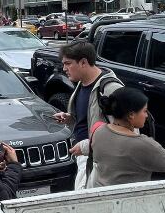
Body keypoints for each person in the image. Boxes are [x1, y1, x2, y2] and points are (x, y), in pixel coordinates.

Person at [51, 41, 124, 190]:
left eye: (68, 63)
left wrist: (87, 147)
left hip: (100, 162)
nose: (64, 68)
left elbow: (126, 132)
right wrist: (70, 117)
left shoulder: (110, 89)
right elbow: (89, 117)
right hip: (84, 156)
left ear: (83, 62)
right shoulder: (81, 83)